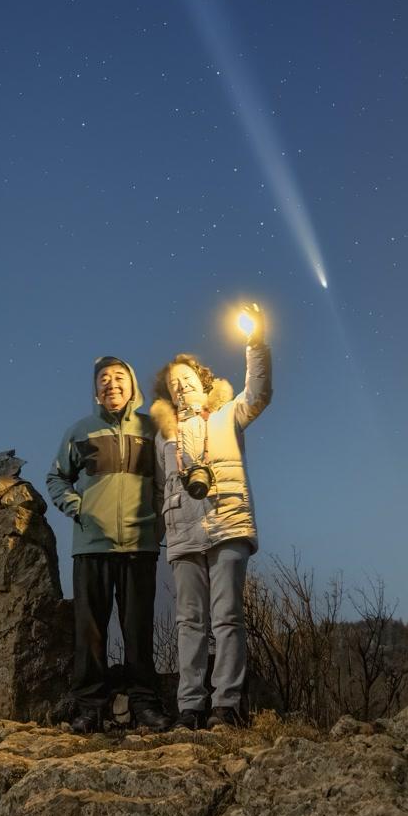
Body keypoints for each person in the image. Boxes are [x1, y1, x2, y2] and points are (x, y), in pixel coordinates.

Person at [151, 305, 272, 729]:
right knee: (189, 623)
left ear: (202, 383)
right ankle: (190, 707)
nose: (181, 389)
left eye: (186, 381)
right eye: (173, 386)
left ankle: (227, 704)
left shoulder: (228, 414)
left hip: (227, 525)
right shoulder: (164, 437)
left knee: (226, 618)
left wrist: (255, 341)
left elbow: (259, 392)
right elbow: (160, 486)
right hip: (183, 534)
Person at [47, 356, 171, 734]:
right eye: (103, 378)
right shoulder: (79, 430)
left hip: (139, 545)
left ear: (132, 386)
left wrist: (159, 525)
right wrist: (78, 507)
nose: (110, 383)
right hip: (90, 547)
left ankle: (144, 705)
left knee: (138, 630)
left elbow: (167, 483)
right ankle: (90, 708)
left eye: (119, 377)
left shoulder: (153, 429)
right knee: (90, 633)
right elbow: (56, 478)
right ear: (95, 390)